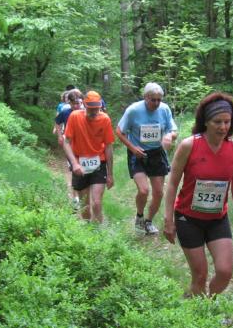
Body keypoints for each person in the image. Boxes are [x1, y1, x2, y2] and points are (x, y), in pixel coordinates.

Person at [163, 93, 233, 296]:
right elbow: (172, 183)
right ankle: (196, 307)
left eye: (227, 122)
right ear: (206, 122)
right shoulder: (189, 145)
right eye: (217, 122)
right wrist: (168, 219)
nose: (223, 127)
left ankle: (209, 305)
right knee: (200, 275)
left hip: (217, 219)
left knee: (225, 272)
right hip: (188, 219)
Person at [116, 83, 178, 235]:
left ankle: (148, 221)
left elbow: (173, 130)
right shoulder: (133, 110)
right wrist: (132, 148)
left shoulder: (164, 109)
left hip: (157, 153)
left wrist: (170, 136)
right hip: (138, 154)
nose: (156, 103)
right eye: (153, 100)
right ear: (145, 97)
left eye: (159, 100)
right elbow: (119, 131)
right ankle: (139, 216)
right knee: (143, 190)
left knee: (158, 193)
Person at [62, 90, 115, 223]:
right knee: (85, 205)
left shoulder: (105, 119)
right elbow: (66, 142)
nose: (94, 112)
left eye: (97, 108)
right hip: (80, 163)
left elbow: (108, 146)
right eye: (91, 108)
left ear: (100, 106)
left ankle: (98, 231)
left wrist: (110, 174)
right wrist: (74, 163)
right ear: (84, 105)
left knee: (97, 202)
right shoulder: (74, 117)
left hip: (99, 163)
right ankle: (88, 229)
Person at [54, 89, 84, 207]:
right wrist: (59, 136)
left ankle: (84, 196)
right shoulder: (65, 112)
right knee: (75, 170)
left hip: (83, 145)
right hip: (70, 145)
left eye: (79, 103)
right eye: (75, 103)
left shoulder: (85, 112)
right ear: (70, 103)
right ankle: (76, 198)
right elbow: (57, 122)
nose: (77, 106)